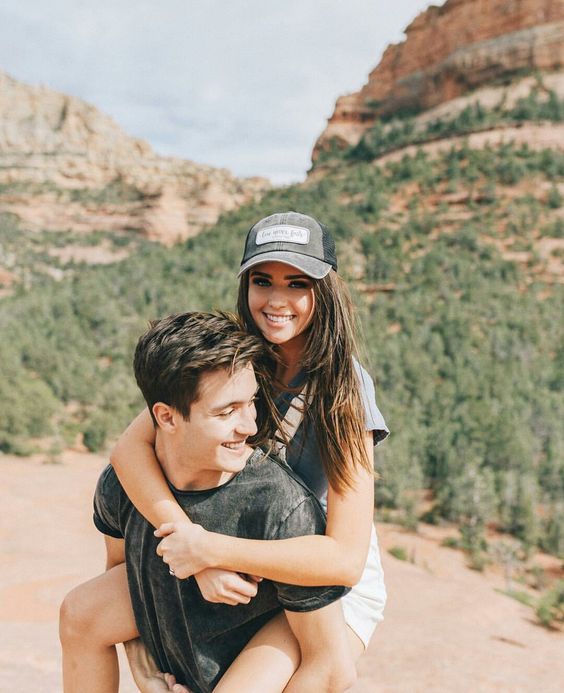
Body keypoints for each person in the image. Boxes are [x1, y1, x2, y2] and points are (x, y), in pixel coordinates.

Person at [61, 211, 389, 692]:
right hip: (224, 541)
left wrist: (209, 551)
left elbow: (344, 560)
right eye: (262, 281)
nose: (276, 300)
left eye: (297, 283)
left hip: (311, 574)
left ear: (325, 291)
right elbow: (130, 450)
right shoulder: (234, 354)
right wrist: (193, 547)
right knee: (80, 616)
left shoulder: (344, 389)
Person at [63, 310, 353, 693]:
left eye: (251, 402)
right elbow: (123, 581)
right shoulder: (123, 484)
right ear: (166, 417)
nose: (250, 426)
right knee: (79, 613)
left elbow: (330, 669)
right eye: (226, 411)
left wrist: (209, 553)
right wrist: (145, 672)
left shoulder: (280, 510)